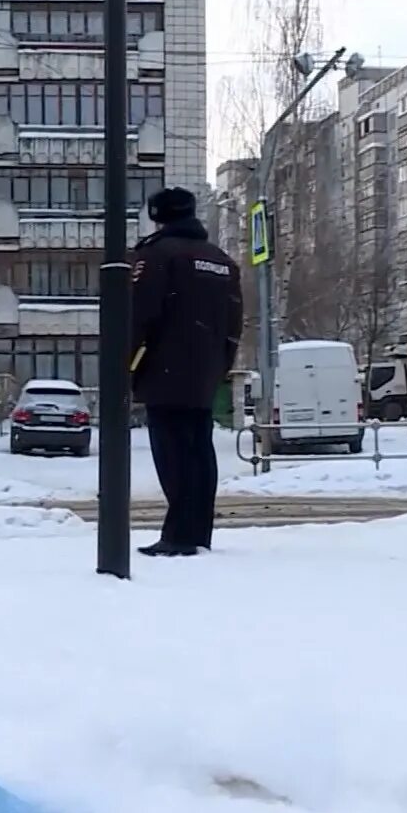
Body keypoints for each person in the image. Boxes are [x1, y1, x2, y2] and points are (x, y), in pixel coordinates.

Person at [128, 186, 245, 557]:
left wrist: (126, 366)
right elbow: (234, 322)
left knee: (173, 454)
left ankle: (177, 537)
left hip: (164, 370)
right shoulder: (222, 261)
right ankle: (198, 533)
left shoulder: (156, 255)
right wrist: (220, 365)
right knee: (199, 451)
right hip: (206, 371)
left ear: (157, 214)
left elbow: (139, 315)